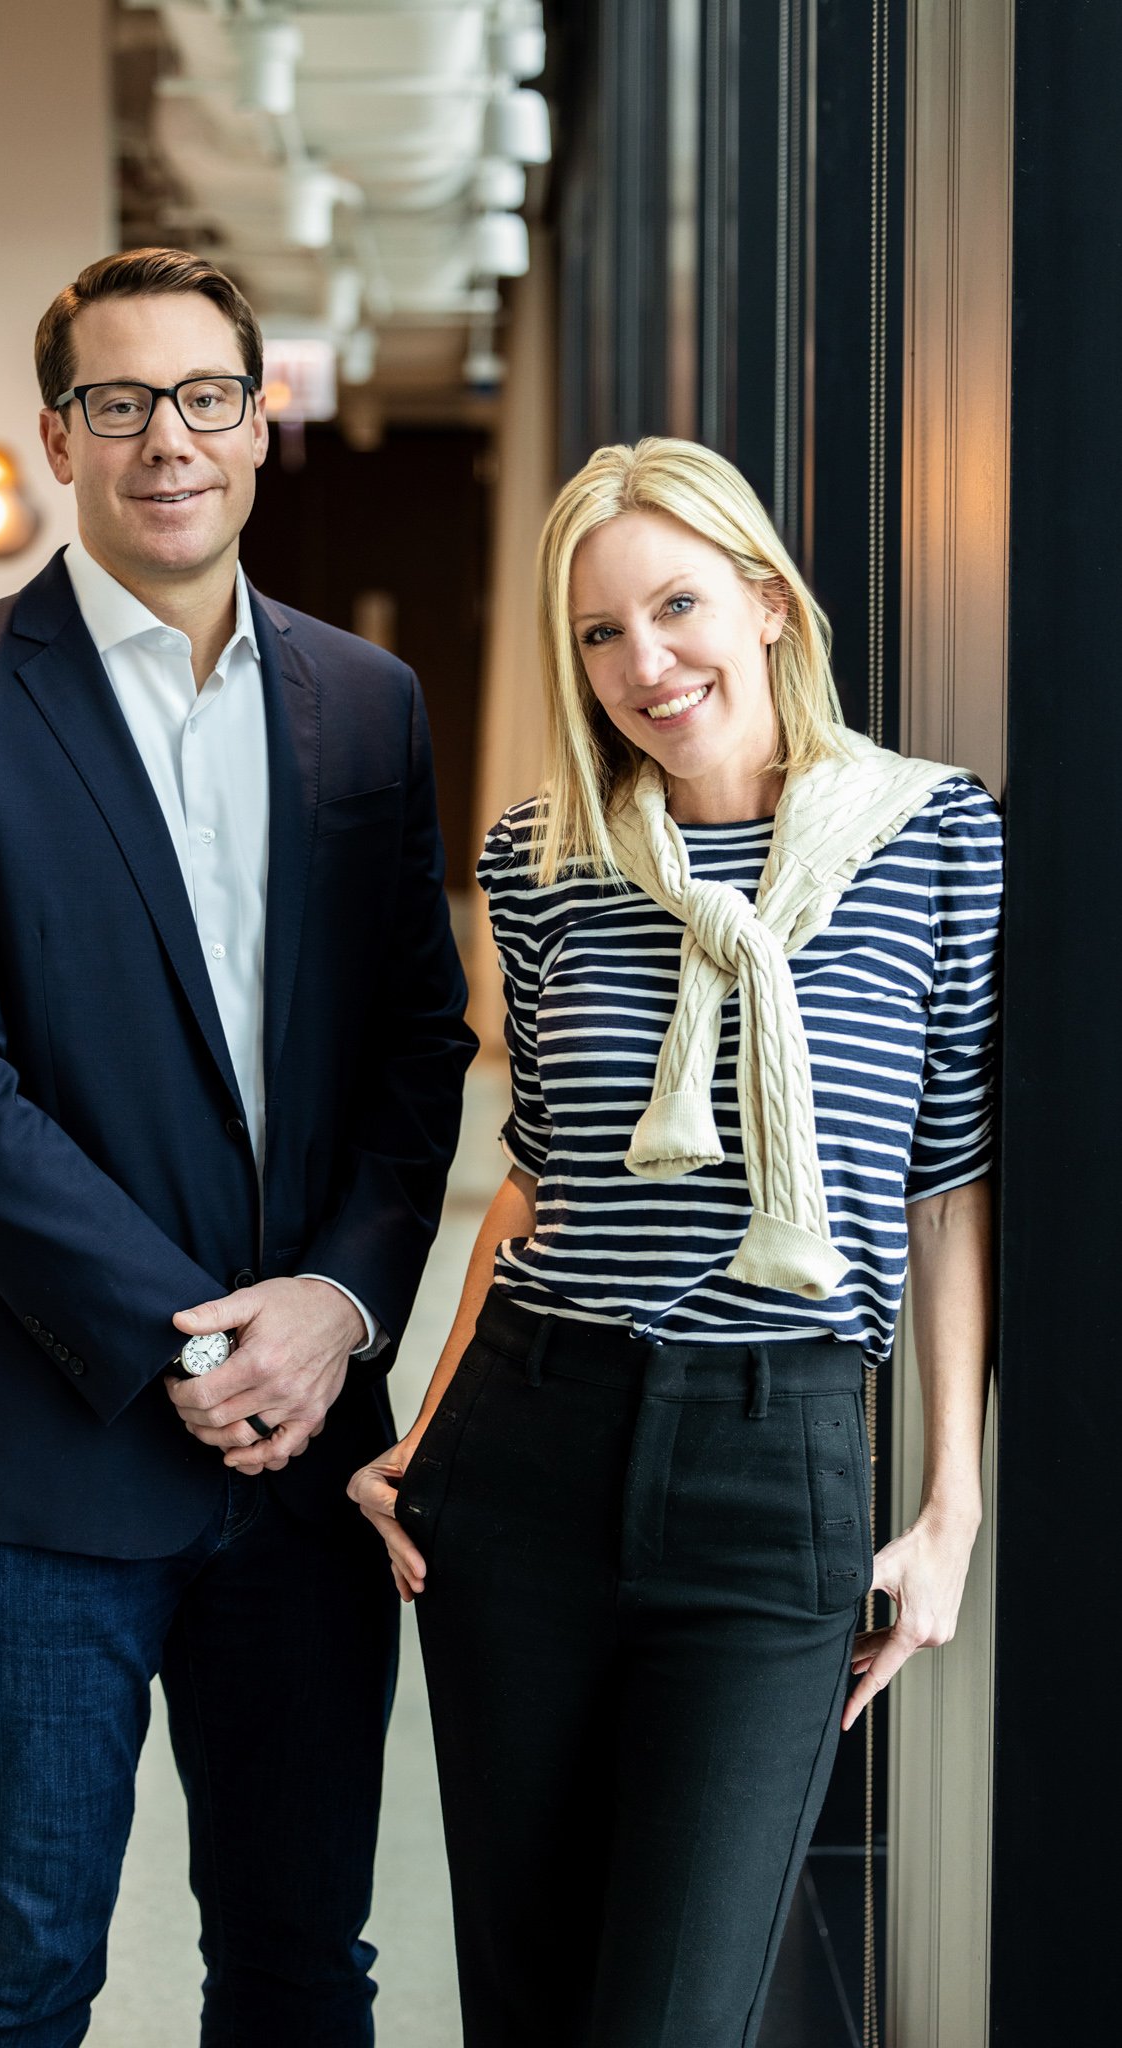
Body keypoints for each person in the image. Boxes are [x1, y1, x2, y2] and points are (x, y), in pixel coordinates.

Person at [0, 247, 476, 2048]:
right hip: (48, 1460)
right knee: (16, 1983)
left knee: (297, 1971)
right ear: (58, 436)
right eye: (117, 403)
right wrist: (200, 1341)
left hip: (311, 1470)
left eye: (203, 396)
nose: (165, 440)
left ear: (258, 422)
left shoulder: (367, 703)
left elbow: (419, 1049)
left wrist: (340, 1305)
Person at [351, 437, 1000, 2047]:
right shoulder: (540, 858)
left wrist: (948, 1507)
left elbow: (944, 1188)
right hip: (528, 1449)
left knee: (674, 2017)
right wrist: (419, 1438)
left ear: (768, 602)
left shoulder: (933, 838)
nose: (643, 662)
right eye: (597, 632)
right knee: (526, 2000)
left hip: (774, 1462)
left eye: (678, 604)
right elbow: (534, 1183)